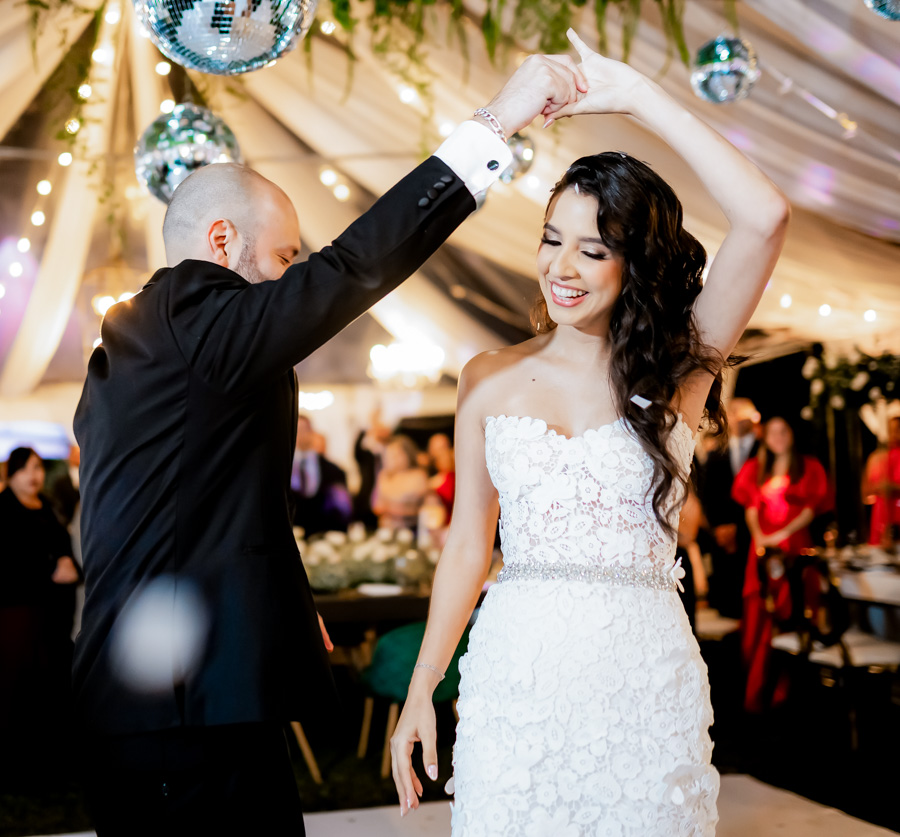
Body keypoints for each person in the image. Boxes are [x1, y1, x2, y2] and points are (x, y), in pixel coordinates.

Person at [72, 54, 588, 836]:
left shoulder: (143, 345)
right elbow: (355, 268)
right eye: (282, 258)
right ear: (222, 239)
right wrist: (498, 120)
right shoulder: (199, 321)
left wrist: (285, 602)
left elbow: (205, 501)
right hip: (183, 712)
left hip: (167, 695)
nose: (291, 279)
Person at [390, 29, 790, 834]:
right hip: (517, 678)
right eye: (550, 240)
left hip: (644, 680)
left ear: (634, 263)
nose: (560, 267)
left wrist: (640, 98)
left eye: (592, 248)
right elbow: (470, 546)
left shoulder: (681, 370)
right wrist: (423, 686)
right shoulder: (488, 376)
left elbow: (765, 215)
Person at [732, 417, 830, 713]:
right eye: (772, 432)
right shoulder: (755, 469)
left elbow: (811, 509)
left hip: (793, 547)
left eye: (783, 430)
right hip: (762, 550)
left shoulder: (808, 466)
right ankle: (758, 689)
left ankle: (791, 691)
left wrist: (782, 535)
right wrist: (761, 537)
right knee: (761, 611)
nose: (778, 437)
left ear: (791, 434)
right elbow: (751, 509)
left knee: (796, 609)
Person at [0, 447, 80, 785]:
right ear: (13, 473)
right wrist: (50, 568)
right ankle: (14, 766)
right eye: (27, 469)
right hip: (18, 615)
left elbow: (63, 548)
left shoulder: (46, 506)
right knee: (17, 686)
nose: (34, 475)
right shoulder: (3, 510)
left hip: (51, 615)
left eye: (38, 468)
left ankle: (46, 763)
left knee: (48, 686)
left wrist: (70, 567)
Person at [698, 397, 759, 617]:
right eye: (732, 414)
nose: (737, 420)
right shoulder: (716, 453)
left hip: (754, 531)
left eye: (742, 415)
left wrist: (740, 527)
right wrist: (718, 527)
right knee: (728, 598)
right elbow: (707, 495)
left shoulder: (764, 451)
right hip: (723, 532)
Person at [290, 415, 352, 536]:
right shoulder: (280, 469)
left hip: (323, 535)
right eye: (295, 430)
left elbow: (342, 509)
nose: (300, 435)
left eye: (303, 429)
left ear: (311, 432)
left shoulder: (334, 471)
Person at [371, 435, 430, 531]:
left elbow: (423, 509)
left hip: (411, 530)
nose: (393, 459)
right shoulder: (384, 476)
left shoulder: (418, 475)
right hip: (386, 530)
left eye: (396, 455)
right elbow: (377, 506)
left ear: (407, 454)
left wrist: (390, 508)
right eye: (390, 455)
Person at [862, 416, 900, 547]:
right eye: (891, 430)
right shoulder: (877, 456)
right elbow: (866, 491)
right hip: (881, 509)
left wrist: (894, 487)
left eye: (898, 429)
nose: (894, 434)